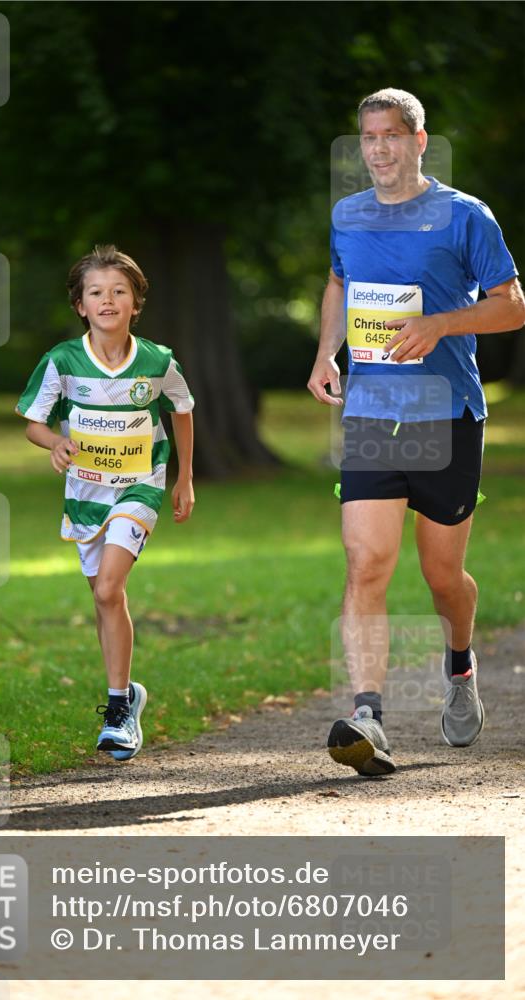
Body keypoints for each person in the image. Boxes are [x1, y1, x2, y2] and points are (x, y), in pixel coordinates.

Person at [307, 88, 525, 776]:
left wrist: (438, 324)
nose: (378, 149)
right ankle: (367, 714)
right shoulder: (347, 214)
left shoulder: (464, 216)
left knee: (441, 576)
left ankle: (458, 667)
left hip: (447, 414)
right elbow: (338, 282)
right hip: (373, 413)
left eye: (391, 136)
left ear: (419, 139)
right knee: (364, 562)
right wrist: (324, 352)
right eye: (368, 138)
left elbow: (511, 307)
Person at [16, 245, 195, 761]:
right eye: (96, 292)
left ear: (136, 302)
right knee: (102, 597)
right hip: (86, 494)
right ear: (80, 305)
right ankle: (129, 693)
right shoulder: (62, 361)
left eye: (119, 291)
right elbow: (34, 422)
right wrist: (54, 444)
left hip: (141, 485)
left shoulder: (158, 361)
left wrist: (184, 478)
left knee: (111, 585)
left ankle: (117, 709)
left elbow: (181, 409)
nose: (108, 300)